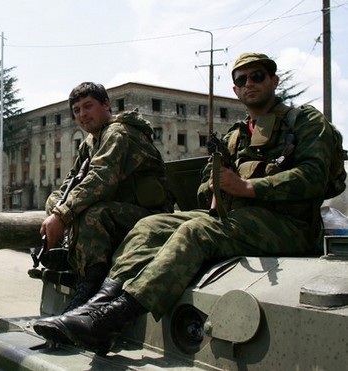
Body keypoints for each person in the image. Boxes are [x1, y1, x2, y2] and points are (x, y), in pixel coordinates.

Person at [33, 53, 336, 354]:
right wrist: (217, 189)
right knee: (149, 225)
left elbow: (315, 176)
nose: (249, 84)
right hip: (238, 218)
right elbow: (206, 183)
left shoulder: (304, 121)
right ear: (235, 90)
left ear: (274, 80)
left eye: (257, 76)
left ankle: (110, 318)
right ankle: (96, 305)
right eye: (241, 80)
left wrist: (247, 187)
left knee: (196, 231)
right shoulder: (236, 135)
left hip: (290, 224)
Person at [39, 82, 174, 313]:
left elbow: (100, 178)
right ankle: (71, 255)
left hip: (148, 216)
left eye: (88, 106)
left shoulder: (118, 133)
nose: (82, 114)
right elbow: (71, 181)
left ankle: (87, 289)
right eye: (77, 110)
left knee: (92, 214)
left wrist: (62, 216)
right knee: (54, 200)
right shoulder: (90, 142)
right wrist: (57, 207)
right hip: (119, 212)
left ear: (106, 105)